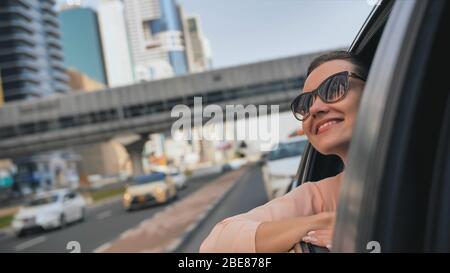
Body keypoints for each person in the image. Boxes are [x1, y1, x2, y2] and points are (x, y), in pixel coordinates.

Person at [199, 51, 368, 253]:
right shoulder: (320, 197)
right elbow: (216, 245)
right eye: (304, 104)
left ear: (375, 89)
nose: (314, 108)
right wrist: (324, 221)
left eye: (335, 88)